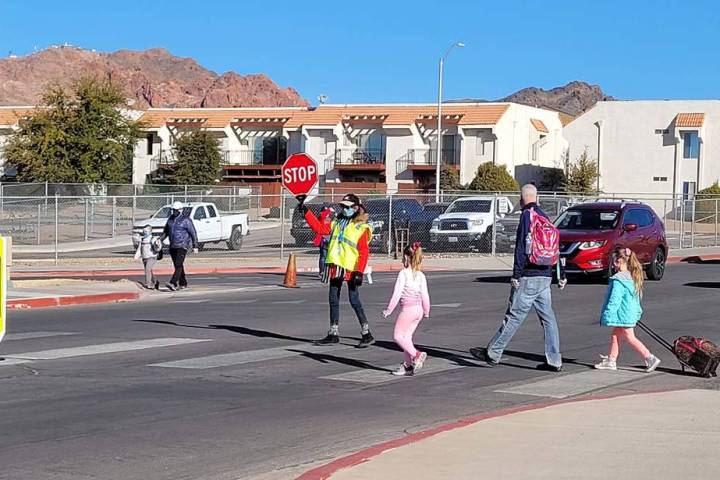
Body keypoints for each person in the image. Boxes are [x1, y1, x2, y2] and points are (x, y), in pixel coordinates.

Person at [470, 184, 566, 372]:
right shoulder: (545, 217)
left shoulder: (526, 216)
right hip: (545, 275)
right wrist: (560, 274)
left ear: (521, 199)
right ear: (536, 198)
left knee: (514, 315)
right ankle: (555, 360)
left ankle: (493, 353)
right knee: (548, 319)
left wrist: (516, 274)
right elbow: (555, 247)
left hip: (529, 275)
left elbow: (521, 247)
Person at [297, 193, 375, 348]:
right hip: (336, 265)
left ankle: (366, 333)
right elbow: (319, 228)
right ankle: (333, 333)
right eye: (342, 207)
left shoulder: (361, 227)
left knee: (354, 300)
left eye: (347, 207)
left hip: (351, 268)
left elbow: (364, 252)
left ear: (356, 208)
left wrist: (359, 271)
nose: (344, 209)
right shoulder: (337, 223)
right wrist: (305, 211)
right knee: (333, 299)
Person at [595, 247, 661, 372]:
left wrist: (607, 314)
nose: (613, 265)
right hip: (628, 313)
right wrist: (637, 312)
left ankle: (649, 357)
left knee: (630, 337)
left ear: (619, 261)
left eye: (614, 262)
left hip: (622, 314)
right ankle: (611, 360)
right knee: (615, 335)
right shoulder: (632, 277)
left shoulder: (618, 280)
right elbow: (636, 299)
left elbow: (615, 300)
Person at [383, 242, 431, 376]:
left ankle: (417, 354)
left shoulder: (403, 273)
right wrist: (426, 311)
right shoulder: (421, 275)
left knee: (397, 336)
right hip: (418, 310)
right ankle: (408, 365)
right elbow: (425, 295)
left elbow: (397, 294)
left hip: (408, 310)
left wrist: (389, 309)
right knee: (406, 337)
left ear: (405, 257)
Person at [161, 201, 198, 291]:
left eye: (176, 210)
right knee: (178, 266)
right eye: (173, 210)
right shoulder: (170, 219)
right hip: (173, 245)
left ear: (181, 210)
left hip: (182, 245)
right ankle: (183, 283)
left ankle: (173, 282)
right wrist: (160, 240)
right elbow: (166, 231)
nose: (174, 212)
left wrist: (195, 246)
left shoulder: (186, 220)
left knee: (178, 265)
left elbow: (193, 233)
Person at [134, 225, 162, 290]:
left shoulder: (153, 239)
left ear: (150, 231)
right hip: (144, 257)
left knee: (147, 269)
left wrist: (157, 245)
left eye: (146, 231)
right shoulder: (142, 239)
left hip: (152, 257)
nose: (145, 232)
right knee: (149, 271)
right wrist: (137, 256)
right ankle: (155, 282)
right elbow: (139, 249)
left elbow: (158, 248)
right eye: (144, 231)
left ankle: (148, 284)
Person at [313, 207, 335, 278]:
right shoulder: (321, 217)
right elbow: (322, 215)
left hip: (330, 237)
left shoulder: (330, 218)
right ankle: (322, 271)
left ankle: (327, 271)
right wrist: (329, 210)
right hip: (323, 238)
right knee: (323, 256)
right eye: (325, 212)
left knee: (329, 256)